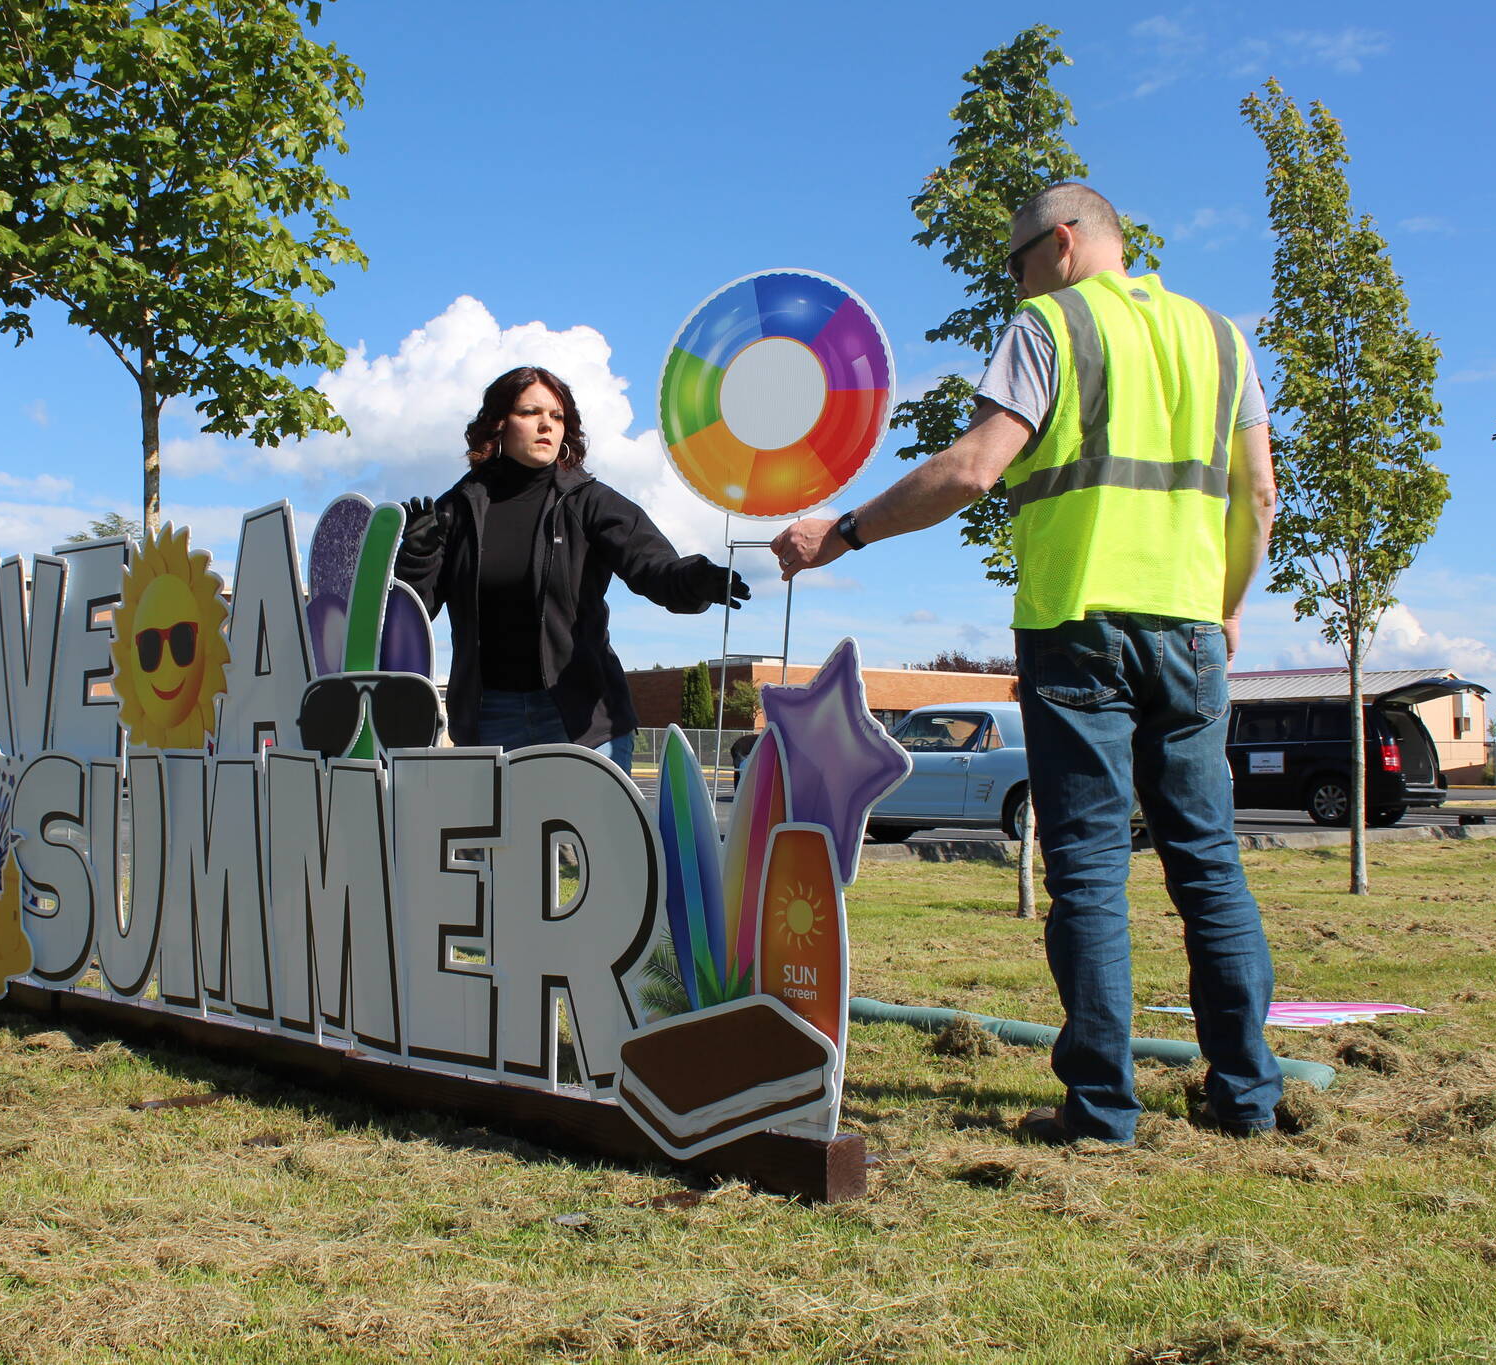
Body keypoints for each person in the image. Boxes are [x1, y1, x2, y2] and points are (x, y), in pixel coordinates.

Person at [771, 183, 1283, 1145]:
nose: (1012, 280)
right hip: (1190, 630)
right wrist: (1226, 606)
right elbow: (1258, 494)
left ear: (1064, 242)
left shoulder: (1049, 325)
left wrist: (843, 532)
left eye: (1015, 261)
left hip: (1077, 623)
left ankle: (1102, 1111)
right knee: (1210, 863)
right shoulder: (1223, 339)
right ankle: (1248, 1096)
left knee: (1087, 870)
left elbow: (974, 467)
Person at [396, 365, 747, 773]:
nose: (546, 424)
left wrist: (696, 580)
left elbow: (653, 566)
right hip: (489, 718)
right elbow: (412, 614)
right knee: (495, 821)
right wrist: (418, 555)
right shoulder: (457, 508)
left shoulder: (589, 501)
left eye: (557, 415)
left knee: (591, 821)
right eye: (530, 412)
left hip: (583, 719)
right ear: (498, 424)